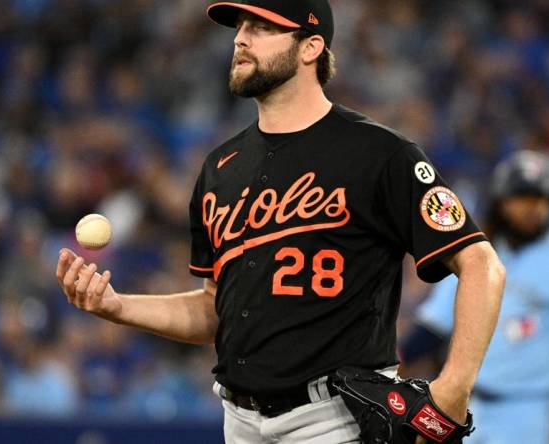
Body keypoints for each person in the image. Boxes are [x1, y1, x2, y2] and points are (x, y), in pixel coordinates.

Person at [56, 1, 506, 442]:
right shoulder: (220, 168)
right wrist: (118, 308)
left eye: (262, 27)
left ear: (310, 47)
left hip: (335, 419)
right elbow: (215, 312)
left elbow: (481, 265)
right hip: (239, 421)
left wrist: (454, 385)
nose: (240, 38)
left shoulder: (381, 155)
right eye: (240, 27)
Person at [401, 150, 549, 444]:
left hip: (539, 410)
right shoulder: (476, 257)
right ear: (500, 201)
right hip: (472, 406)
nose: (532, 208)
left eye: (540, 199)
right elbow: (432, 329)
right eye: (521, 197)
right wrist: (395, 361)